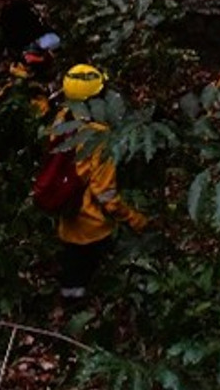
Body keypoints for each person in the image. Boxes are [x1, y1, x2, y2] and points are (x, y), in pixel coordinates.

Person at [51, 64, 149, 303]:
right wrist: (134, 219)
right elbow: (104, 192)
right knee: (94, 276)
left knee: (72, 273)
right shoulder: (99, 137)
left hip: (67, 220)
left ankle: (70, 308)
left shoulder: (61, 120)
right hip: (93, 227)